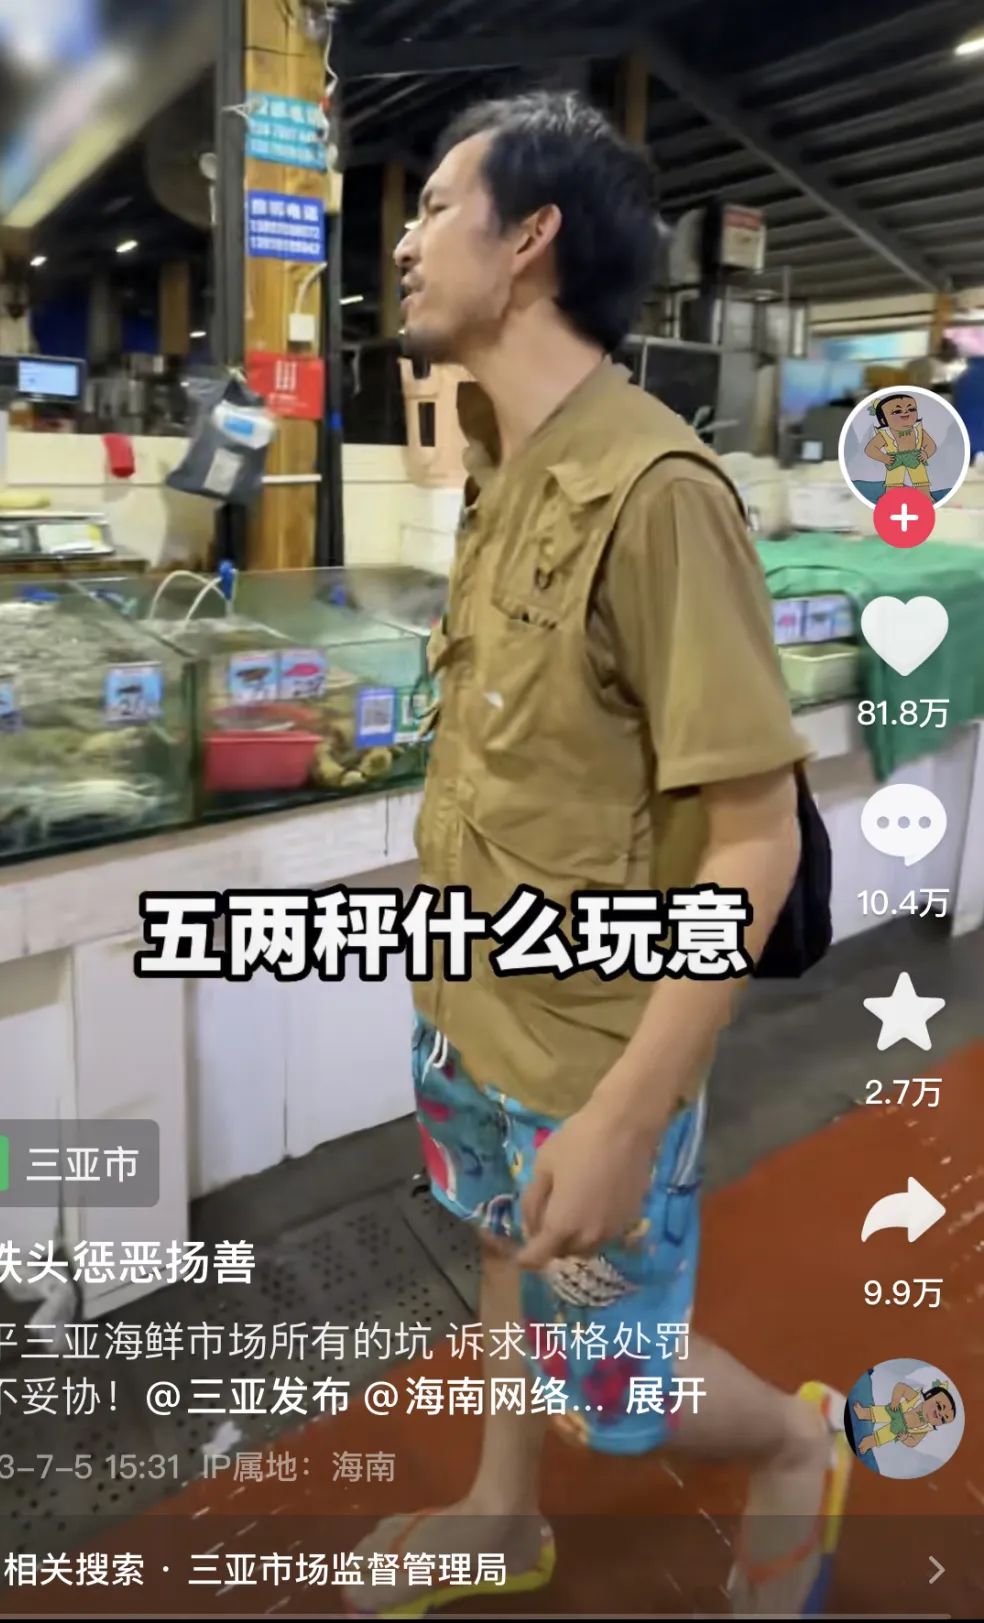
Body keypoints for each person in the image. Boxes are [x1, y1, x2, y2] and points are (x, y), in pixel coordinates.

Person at [346, 92, 850, 1620]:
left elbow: (754, 841)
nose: (407, 242)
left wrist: (630, 1114)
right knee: (504, 1246)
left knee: (616, 1377)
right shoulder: (504, 463)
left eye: (438, 206)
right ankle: (504, 1516)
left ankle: (796, 1443)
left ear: (533, 239)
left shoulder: (660, 495)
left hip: (595, 1041)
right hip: (476, 1000)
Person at [854, 1381, 957, 1454]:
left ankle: (869, 1442)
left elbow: (913, 1442)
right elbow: (900, 1387)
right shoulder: (916, 1398)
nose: (939, 1414)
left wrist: (905, 1438)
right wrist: (895, 1400)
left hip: (899, 1429)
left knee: (885, 1436)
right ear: (929, 1395)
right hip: (895, 1410)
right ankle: (864, 1413)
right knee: (881, 1412)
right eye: (939, 1406)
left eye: (943, 1419)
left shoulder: (924, 1429)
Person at [863, 393, 937, 494]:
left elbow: (931, 445)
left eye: (911, 409)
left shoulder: (918, 431)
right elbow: (870, 449)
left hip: (916, 457)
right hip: (894, 460)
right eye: (897, 411)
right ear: (883, 420)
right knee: (893, 483)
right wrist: (883, 458)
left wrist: (926, 453)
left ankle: (925, 497)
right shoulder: (885, 434)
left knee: (921, 481)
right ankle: (891, 498)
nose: (905, 413)